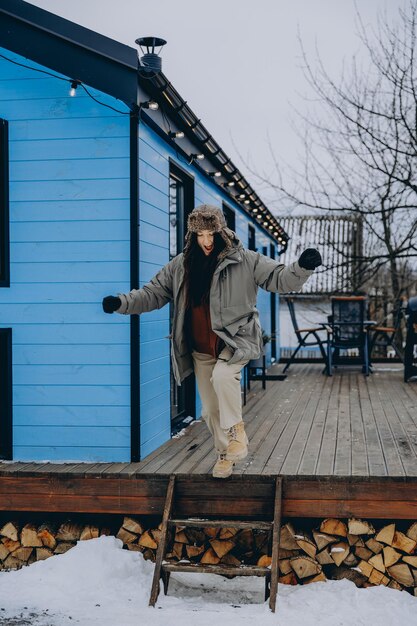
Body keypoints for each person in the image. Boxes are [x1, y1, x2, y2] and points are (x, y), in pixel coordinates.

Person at [102, 204, 321, 478]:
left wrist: (302, 267)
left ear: (221, 232)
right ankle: (224, 454)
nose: (206, 241)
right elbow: (153, 293)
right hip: (200, 347)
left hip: (234, 340)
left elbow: (279, 278)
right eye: (200, 235)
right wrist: (122, 303)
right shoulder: (181, 266)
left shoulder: (246, 260)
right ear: (193, 236)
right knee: (209, 410)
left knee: (223, 377)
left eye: (211, 234)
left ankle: (237, 432)